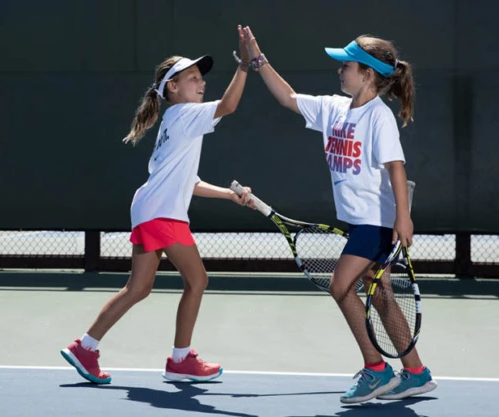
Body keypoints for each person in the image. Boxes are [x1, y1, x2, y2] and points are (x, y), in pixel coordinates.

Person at [241, 26, 438, 403]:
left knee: (340, 286)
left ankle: (376, 368)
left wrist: (403, 218)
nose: (339, 71)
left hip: (376, 222)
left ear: (366, 74)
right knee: (379, 294)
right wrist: (258, 59)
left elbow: (397, 167)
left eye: (346, 65)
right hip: (359, 221)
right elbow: (288, 97)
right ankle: (415, 372)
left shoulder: (379, 117)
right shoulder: (333, 108)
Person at [61, 25, 255, 384]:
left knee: (138, 288)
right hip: (162, 213)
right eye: (193, 78)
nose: (201, 83)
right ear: (173, 88)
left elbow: (189, 183)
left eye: (201, 78)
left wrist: (228, 194)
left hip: (150, 207)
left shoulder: (175, 121)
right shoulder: (185, 114)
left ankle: (84, 347)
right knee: (197, 280)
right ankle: (181, 360)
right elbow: (229, 105)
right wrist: (244, 65)